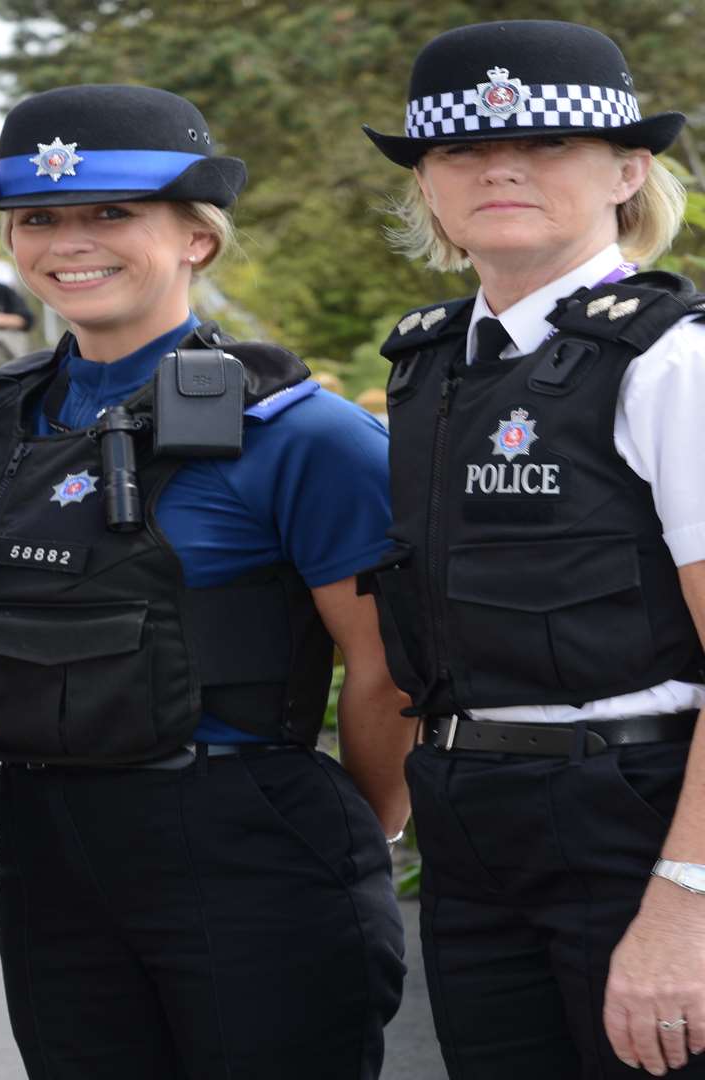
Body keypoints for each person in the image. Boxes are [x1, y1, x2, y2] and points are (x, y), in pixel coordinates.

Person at [0, 84, 408, 1078]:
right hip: (47, 843)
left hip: (253, 848)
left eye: (112, 212)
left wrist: (343, 842)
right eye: (40, 218)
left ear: (198, 238)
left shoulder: (304, 436)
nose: (70, 241)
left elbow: (386, 672)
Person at [361, 20, 705, 1079]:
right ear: (428, 185)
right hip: (475, 828)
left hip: (635, 822)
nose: (500, 165)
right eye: (460, 149)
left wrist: (684, 904)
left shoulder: (669, 366)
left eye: (548, 142)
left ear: (627, 171)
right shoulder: (429, 366)